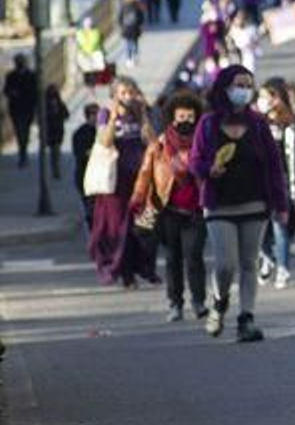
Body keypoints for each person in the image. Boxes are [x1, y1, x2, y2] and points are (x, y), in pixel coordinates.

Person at [189, 66, 290, 343]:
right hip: (219, 205)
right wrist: (209, 169)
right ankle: (219, 303)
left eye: (248, 85)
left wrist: (281, 205)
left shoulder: (258, 124)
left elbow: (273, 166)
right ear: (224, 87)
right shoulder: (208, 124)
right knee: (225, 264)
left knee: (249, 263)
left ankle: (246, 317)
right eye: (239, 84)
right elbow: (194, 161)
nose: (244, 90)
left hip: (255, 204)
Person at [132, 91, 208, 322]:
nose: (185, 120)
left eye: (190, 116)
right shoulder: (160, 145)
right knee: (173, 258)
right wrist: (137, 199)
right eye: (181, 116)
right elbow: (145, 173)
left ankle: (198, 302)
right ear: (171, 118)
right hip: (168, 212)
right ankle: (175, 303)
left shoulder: (203, 143)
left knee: (194, 257)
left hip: (196, 212)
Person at [87, 79, 159, 288]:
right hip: (115, 179)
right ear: (115, 95)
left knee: (142, 225)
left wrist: (143, 115)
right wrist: (113, 118)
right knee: (117, 226)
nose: (128, 97)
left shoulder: (139, 113)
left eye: (131, 92)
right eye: (123, 93)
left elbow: (152, 142)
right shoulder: (104, 114)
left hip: (138, 176)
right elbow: (104, 141)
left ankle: (142, 268)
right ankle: (120, 271)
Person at [258, 80, 295, 290]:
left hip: (283, 183)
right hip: (259, 184)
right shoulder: (257, 123)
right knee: (259, 230)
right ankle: (267, 257)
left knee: (280, 227)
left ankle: (283, 267)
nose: (263, 102)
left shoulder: (292, 125)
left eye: (267, 97)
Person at [4, 54, 37, 168]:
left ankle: (24, 152)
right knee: (19, 132)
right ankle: (22, 154)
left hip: (27, 108)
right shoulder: (11, 76)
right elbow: (6, 90)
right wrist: (13, 93)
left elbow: (35, 92)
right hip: (16, 109)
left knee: (25, 132)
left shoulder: (31, 75)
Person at [72, 103, 100, 223]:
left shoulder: (103, 132)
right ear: (88, 116)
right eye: (94, 114)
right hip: (85, 176)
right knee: (91, 211)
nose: (97, 117)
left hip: (100, 177)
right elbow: (80, 154)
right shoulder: (80, 133)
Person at [44, 84, 68, 180]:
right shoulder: (45, 105)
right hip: (50, 131)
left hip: (58, 131)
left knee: (56, 152)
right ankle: (55, 170)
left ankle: (56, 170)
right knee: (54, 152)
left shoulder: (60, 104)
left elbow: (66, 114)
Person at [118, 0, 146, 67]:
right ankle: (135, 56)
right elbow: (141, 17)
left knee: (127, 44)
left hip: (126, 28)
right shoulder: (136, 6)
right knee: (134, 43)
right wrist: (140, 25)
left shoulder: (123, 6)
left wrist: (121, 26)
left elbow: (120, 18)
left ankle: (128, 59)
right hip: (134, 28)